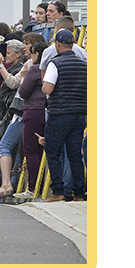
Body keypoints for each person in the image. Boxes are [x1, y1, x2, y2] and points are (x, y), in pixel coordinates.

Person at [41, 29, 87, 202]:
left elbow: (48, 89)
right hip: (80, 115)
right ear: (73, 43)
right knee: (75, 154)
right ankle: (79, 194)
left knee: (53, 152)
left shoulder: (55, 63)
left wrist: (44, 85)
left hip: (59, 114)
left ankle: (58, 191)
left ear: (58, 44)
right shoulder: (84, 64)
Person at [0, 39, 27, 199]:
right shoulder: (27, 65)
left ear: (19, 54)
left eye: (8, 54)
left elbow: (12, 83)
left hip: (19, 113)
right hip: (17, 113)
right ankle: (10, 185)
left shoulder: (27, 66)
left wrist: (0, 66)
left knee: (5, 146)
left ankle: (6, 185)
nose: (5, 57)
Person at [16, 41, 48, 198]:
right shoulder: (51, 67)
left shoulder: (35, 69)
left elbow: (23, 91)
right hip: (47, 111)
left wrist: (23, 77)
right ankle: (42, 186)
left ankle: (32, 187)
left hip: (33, 111)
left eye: (32, 53)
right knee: (42, 148)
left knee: (30, 149)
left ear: (37, 54)